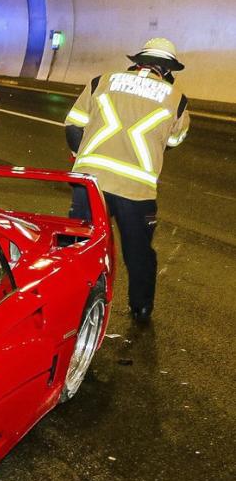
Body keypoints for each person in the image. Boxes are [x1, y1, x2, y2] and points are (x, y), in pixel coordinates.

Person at [65, 38, 191, 323]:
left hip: (91, 181)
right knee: (138, 253)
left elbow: (73, 125)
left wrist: (81, 156)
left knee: (81, 243)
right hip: (136, 189)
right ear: (169, 70)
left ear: (136, 61)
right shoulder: (177, 98)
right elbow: (174, 139)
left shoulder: (102, 81)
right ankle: (141, 308)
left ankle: (73, 303)